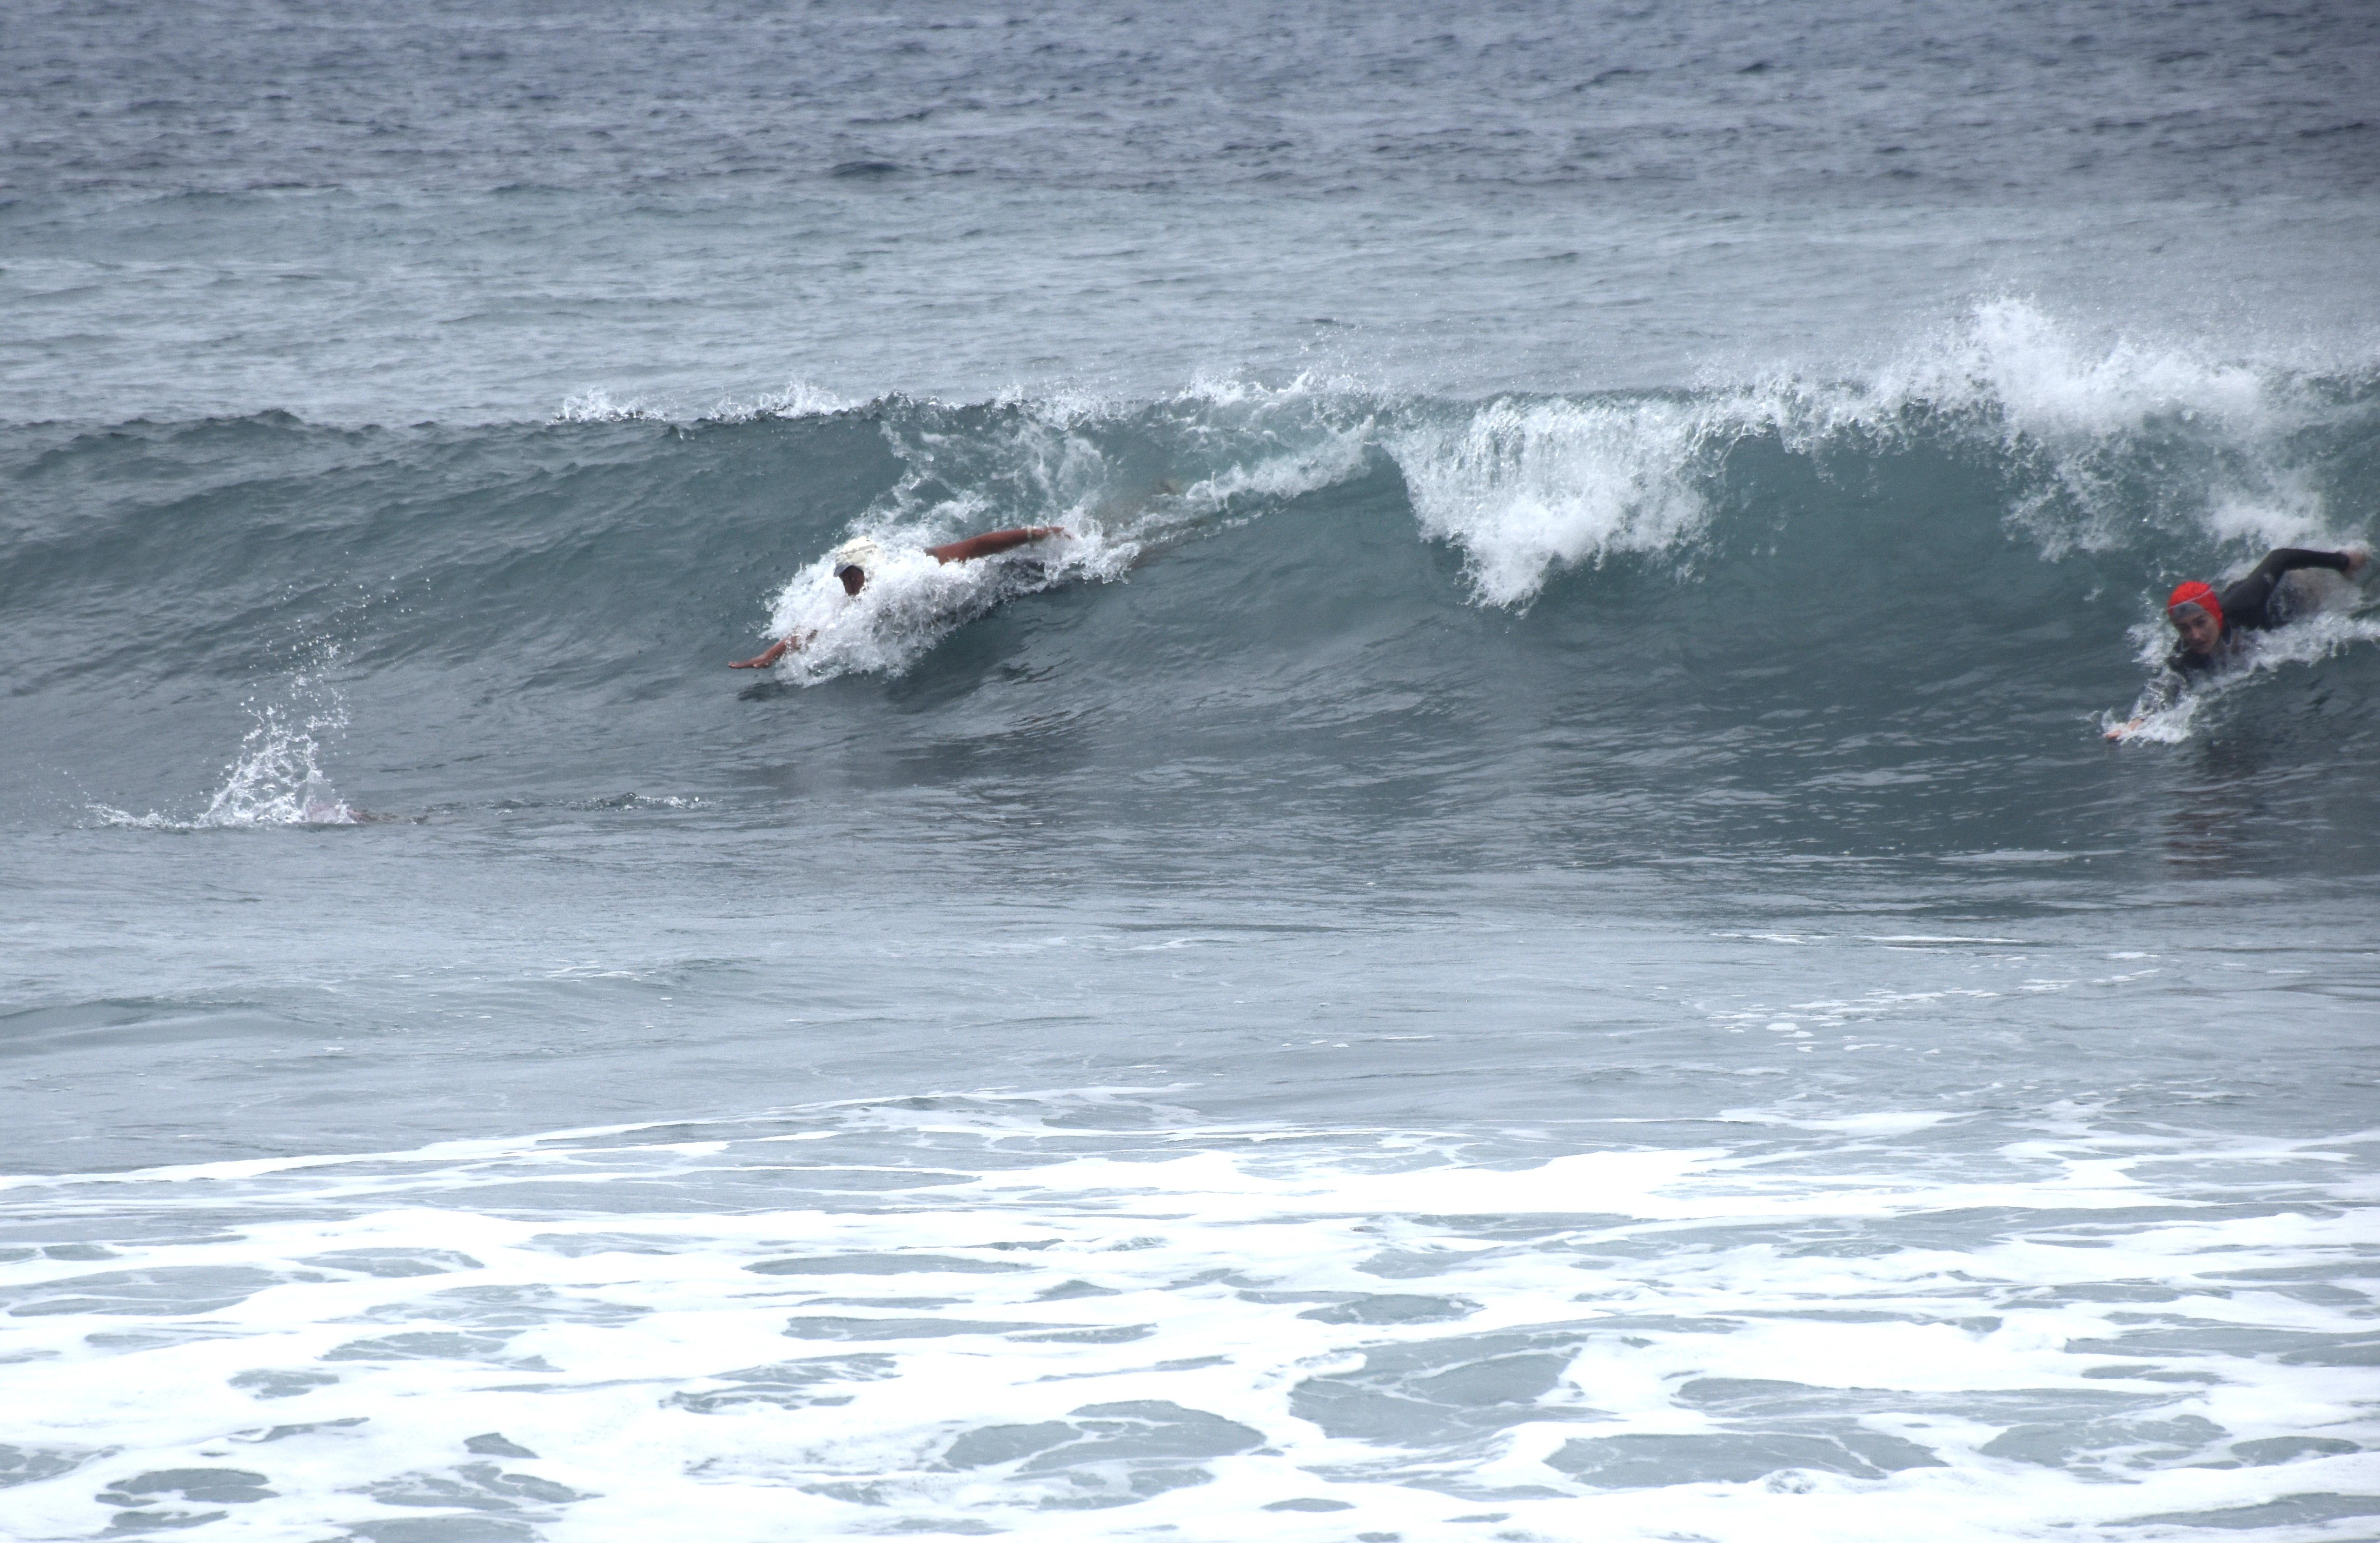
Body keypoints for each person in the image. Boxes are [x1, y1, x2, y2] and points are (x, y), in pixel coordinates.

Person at [2108, 545, 2367, 736]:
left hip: (2291, 593)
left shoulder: (2245, 605)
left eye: (2201, 623)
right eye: (2184, 629)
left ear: (2216, 616)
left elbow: (2281, 558)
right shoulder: (2187, 653)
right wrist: (2137, 723)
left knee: (2354, 590)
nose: (2195, 636)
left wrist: (2342, 561)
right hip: (2259, 621)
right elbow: (2168, 687)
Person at [728, 525, 1069, 669]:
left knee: (1066, 575)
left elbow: (977, 546)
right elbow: (814, 628)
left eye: (850, 576)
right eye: (844, 579)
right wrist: (769, 654)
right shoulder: (859, 599)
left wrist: (1033, 534)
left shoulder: (917, 570)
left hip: (1003, 584)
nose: (846, 586)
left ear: (867, 569)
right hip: (966, 621)